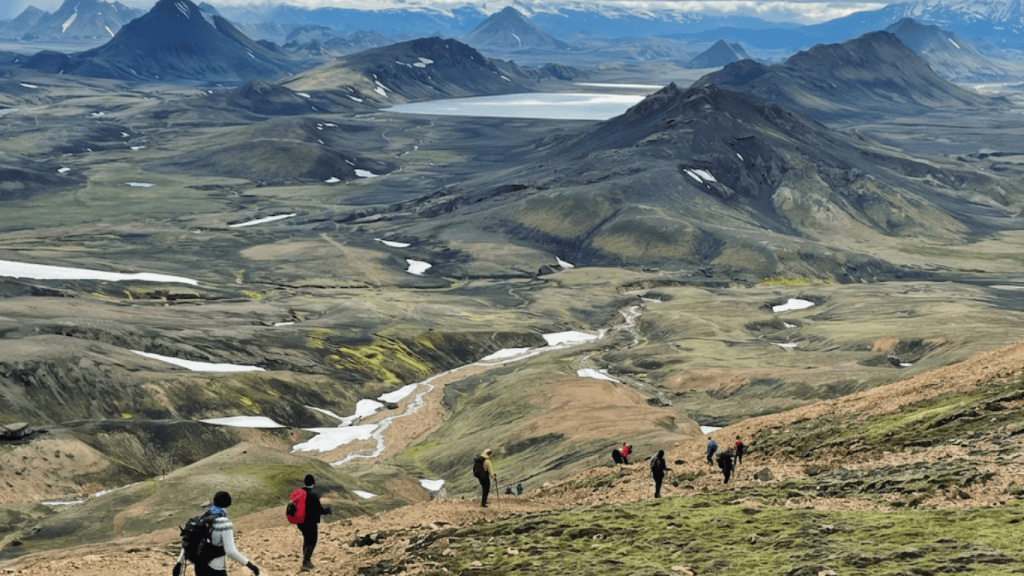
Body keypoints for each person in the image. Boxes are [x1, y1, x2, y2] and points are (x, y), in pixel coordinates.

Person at [174, 491, 260, 576]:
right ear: (228, 504)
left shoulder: (202, 518)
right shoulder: (224, 523)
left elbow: (190, 539)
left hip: (199, 566)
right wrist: (250, 565)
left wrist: (178, 562)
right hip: (215, 569)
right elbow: (230, 551)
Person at [296, 474, 332, 572]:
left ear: (304, 482)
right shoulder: (314, 494)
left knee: (306, 540)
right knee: (312, 541)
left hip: (300, 522)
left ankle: (307, 561)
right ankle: (306, 562)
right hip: (310, 522)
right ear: (313, 483)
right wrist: (326, 510)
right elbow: (318, 509)